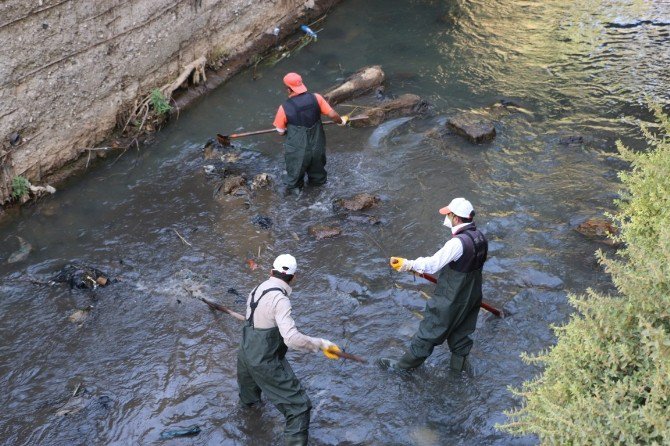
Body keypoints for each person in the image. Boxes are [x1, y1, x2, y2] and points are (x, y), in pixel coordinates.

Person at [237, 254, 341, 446]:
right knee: (300, 408)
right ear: (294, 277)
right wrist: (321, 344)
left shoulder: (256, 289)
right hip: (264, 359)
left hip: (244, 354)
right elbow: (292, 339)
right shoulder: (281, 300)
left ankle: (249, 429)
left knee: (249, 402)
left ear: (271, 272)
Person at [379, 198, 488, 373]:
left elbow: (432, 264)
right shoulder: (480, 237)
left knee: (430, 330)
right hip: (473, 295)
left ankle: (401, 368)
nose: (447, 217)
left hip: (451, 298)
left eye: (449, 214)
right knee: (461, 332)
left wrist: (408, 264)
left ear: (457, 218)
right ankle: (459, 372)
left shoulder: (457, 243)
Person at [272, 72, 348, 195]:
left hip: (298, 151)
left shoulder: (284, 107)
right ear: (301, 84)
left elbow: (280, 132)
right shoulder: (316, 98)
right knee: (319, 179)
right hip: (317, 146)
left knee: (294, 182)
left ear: (288, 89)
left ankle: (298, 203)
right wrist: (341, 121)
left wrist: (289, 128)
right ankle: (318, 198)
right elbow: (333, 115)